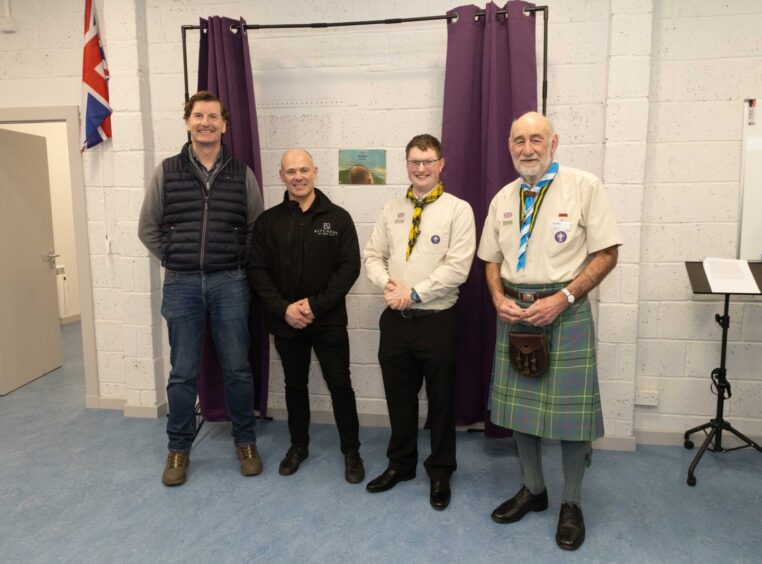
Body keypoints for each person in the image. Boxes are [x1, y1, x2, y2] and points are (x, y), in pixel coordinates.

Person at [477, 111, 622, 550]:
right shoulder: (503, 198)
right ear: (509, 145)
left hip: (565, 308)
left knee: (572, 421)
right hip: (517, 314)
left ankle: (572, 503)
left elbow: (607, 253)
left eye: (536, 139)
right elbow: (490, 261)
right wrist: (497, 297)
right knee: (522, 412)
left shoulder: (584, 186)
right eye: (519, 140)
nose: (527, 148)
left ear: (553, 143)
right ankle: (534, 490)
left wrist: (564, 298)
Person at [138, 90, 264, 487]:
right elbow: (148, 228)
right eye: (198, 116)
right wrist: (175, 257)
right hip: (182, 285)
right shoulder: (167, 170)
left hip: (231, 283)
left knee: (238, 369)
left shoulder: (241, 173)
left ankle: (245, 442)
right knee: (182, 373)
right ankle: (178, 448)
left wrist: (235, 259)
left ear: (225, 125)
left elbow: (256, 228)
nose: (205, 122)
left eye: (213, 116)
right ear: (188, 121)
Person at [363, 134, 476, 510]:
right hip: (395, 319)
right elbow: (373, 256)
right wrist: (389, 285)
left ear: (441, 164)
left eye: (428, 161)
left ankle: (441, 470)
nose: (421, 168)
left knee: (441, 401)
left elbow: (458, 268)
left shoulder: (458, 209)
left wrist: (414, 293)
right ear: (406, 164)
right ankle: (401, 464)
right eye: (414, 161)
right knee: (399, 399)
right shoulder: (392, 207)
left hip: (437, 319)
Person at [247, 149, 365, 484]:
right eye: (290, 171)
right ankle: (298, 446)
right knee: (294, 385)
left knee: (340, 385)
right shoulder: (268, 222)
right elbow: (257, 270)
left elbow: (349, 268)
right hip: (286, 323)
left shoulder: (338, 218)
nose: (298, 177)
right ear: (281, 176)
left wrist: (314, 306)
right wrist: (285, 309)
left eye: (303, 170)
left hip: (327, 321)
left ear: (315, 172)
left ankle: (352, 450)